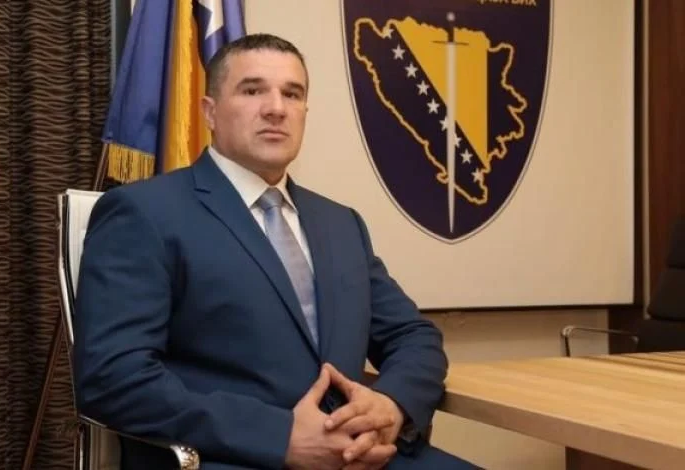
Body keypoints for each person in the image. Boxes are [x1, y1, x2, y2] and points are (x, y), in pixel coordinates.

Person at [74, 33, 478, 470]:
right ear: (209, 112)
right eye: (252, 90)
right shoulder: (145, 213)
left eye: (292, 93)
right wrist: (280, 437)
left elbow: (413, 337)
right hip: (237, 457)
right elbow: (114, 378)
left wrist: (390, 405)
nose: (276, 108)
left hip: (361, 454)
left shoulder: (341, 224)